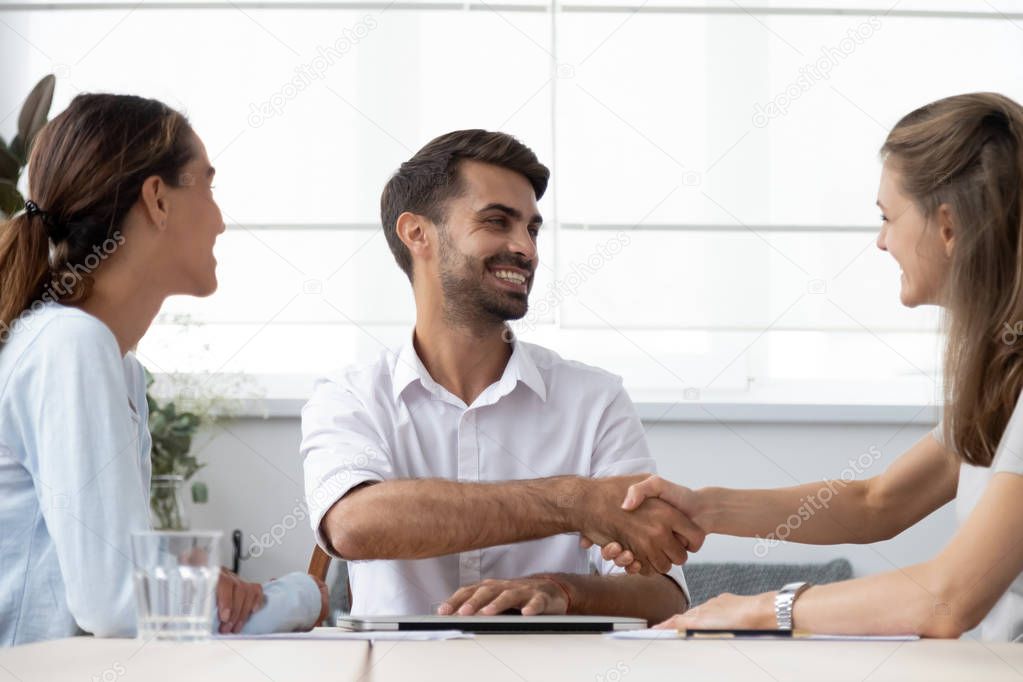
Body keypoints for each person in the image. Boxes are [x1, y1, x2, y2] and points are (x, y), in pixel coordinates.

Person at [596, 92, 1023, 640]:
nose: (881, 241)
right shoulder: (1001, 381)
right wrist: (704, 509)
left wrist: (764, 609)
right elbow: (877, 503)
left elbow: (949, 599)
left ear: (948, 228)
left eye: (888, 217)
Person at [302, 130, 703, 622]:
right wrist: (573, 502)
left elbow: (665, 596)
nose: (527, 249)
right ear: (417, 234)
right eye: (497, 221)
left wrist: (562, 590)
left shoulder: (594, 400)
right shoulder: (349, 397)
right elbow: (353, 526)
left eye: (533, 230)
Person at [0, 93, 326, 647]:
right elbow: (118, 603)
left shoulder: (111, 360)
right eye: (209, 186)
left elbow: (129, 580)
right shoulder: (70, 344)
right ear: (158, 199)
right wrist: (305, 596)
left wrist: (188, 582)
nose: (221, 222)